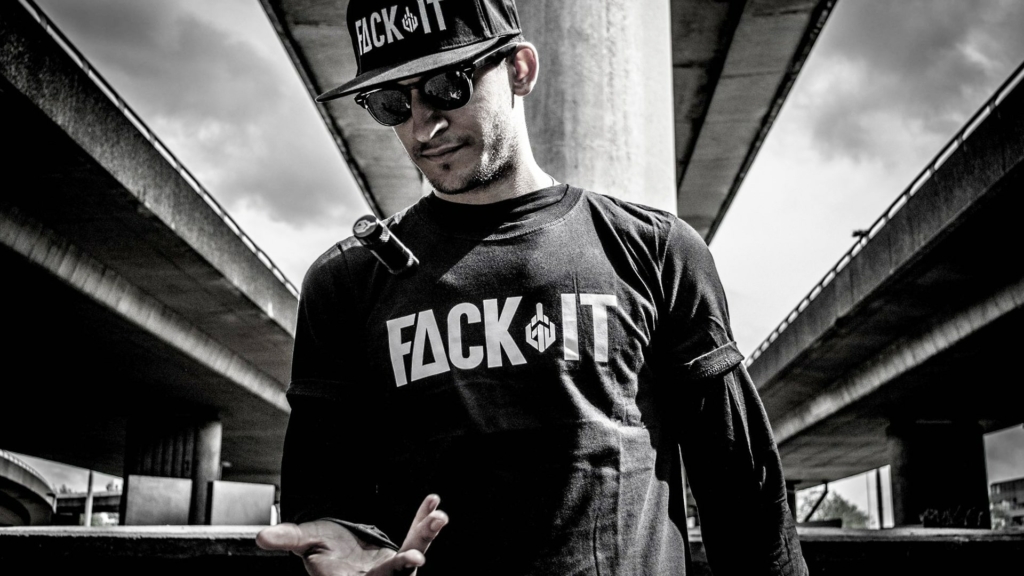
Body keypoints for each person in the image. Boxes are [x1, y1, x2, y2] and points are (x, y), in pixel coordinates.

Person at [257, 1, 808, 574]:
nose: (423, 125)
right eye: (393, 101)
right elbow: (322, 504)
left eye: (448, 85)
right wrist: (348, 550)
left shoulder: (657, 251)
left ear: (520, 69)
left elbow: (745, 495)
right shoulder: (346, 282)